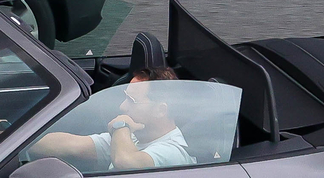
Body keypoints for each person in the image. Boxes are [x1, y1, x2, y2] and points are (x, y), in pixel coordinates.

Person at [21, 67, 197, 171]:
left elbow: (125, 162)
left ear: (160, 110)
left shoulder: (173, 153)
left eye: (132, 101)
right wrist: (18, 139)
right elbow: (73, 146)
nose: (122, 107)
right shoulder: (136, 137)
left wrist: (121, 125)